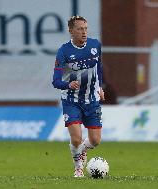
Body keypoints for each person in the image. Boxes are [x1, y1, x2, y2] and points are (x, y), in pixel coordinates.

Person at [52, 15, 105, 177]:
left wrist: (100, 87)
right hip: (71, 100)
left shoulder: (95, 45)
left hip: (92, 100)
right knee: (76, 139)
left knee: (95, 141)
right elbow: (55, 81)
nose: (84, 32)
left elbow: (99, 68)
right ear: (71, 31)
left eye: (86, 28)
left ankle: (82, 151)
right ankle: (78, 168)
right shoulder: (64, 51)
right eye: (80, 29)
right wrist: (68, 84)